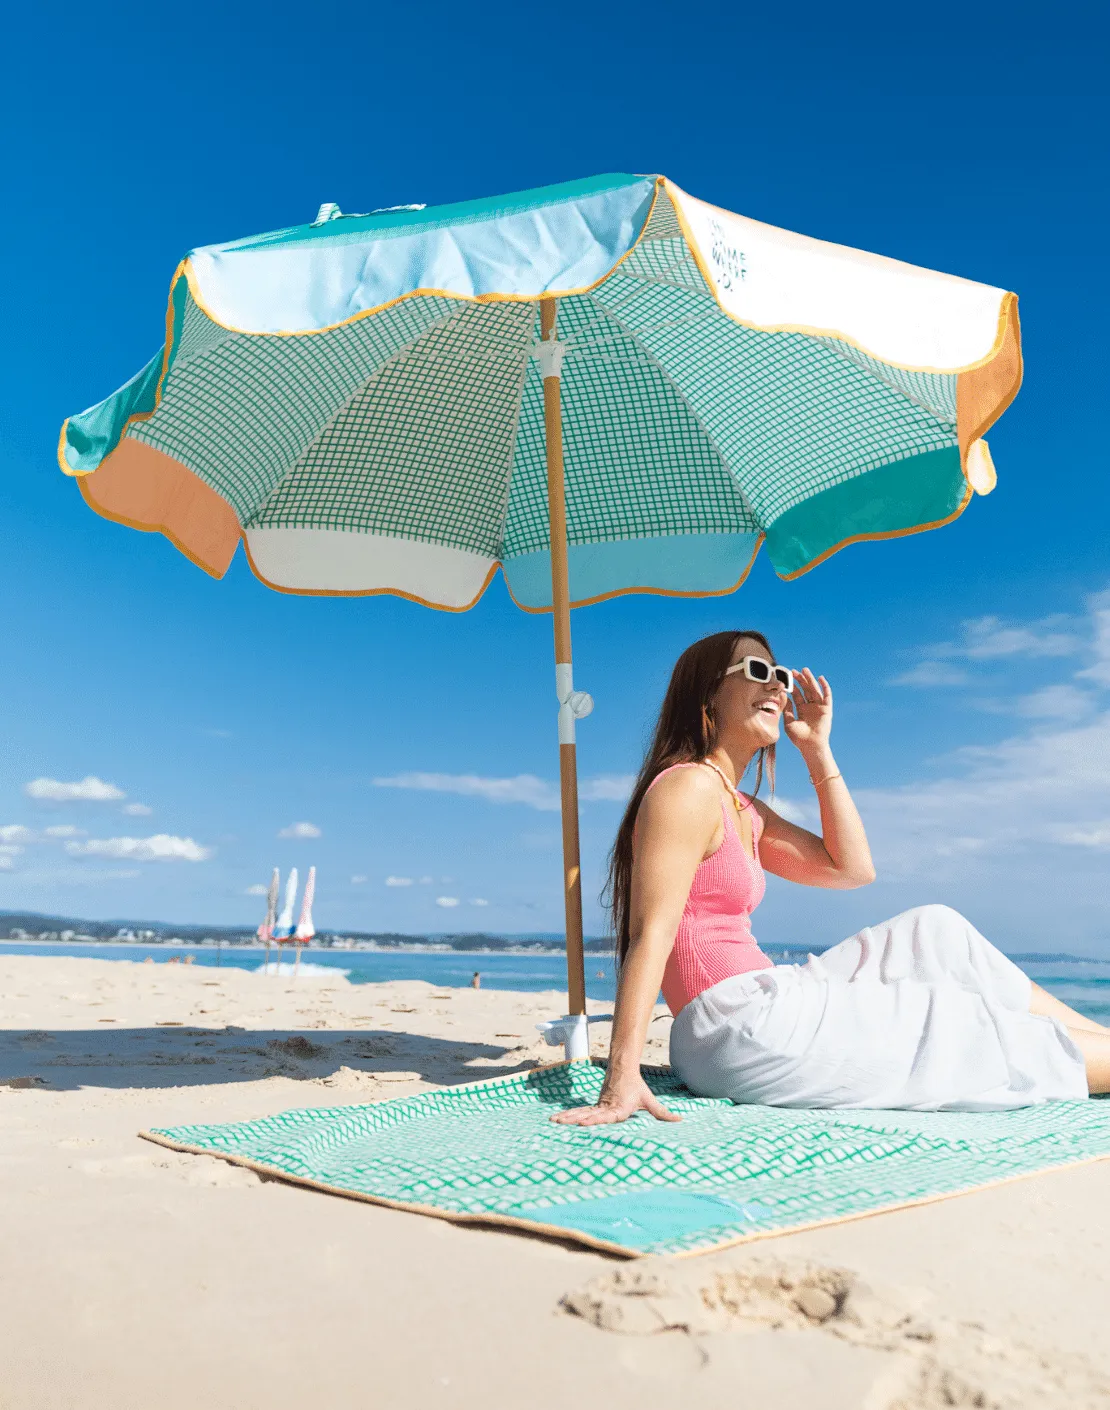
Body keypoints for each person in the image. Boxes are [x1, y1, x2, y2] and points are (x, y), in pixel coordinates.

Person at [554, 630, 1110, 1126]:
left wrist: (817, 748)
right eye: (755, 672)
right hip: (735, 1025)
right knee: (962, 1029)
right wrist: (621, 1076)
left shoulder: (740, 807)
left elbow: (851, 869)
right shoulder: (688, 787)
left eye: (780, 675)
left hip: (768, 999)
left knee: (935, 929)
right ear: (706, 697)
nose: (775, 685)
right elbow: (652, 933)